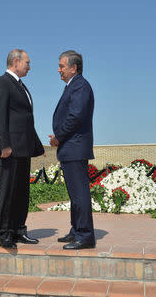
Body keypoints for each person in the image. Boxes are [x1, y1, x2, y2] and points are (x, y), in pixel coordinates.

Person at [0, 49, 45, 249]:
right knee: (7, 192)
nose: (29, 67)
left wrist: (36, 145)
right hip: (10, 149)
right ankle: (4, 233)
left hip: (24, 149)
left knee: (22, 192)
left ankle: (19, 230)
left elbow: (26, 120)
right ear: (16, 62)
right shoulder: (2, 83)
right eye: (27, 63)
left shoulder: (22, 86)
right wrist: (4, 145)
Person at [49, 50, 96, 250]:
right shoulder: (73, 86)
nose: (58, 70)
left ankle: (85, 235)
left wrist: (59, 136)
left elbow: (75, 116)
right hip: (71, 148)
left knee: (79, 195)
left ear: (73, 68)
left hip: (75, 149)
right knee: (74, 194)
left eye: (62, 66)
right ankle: (76, 230)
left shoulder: (80, 86)